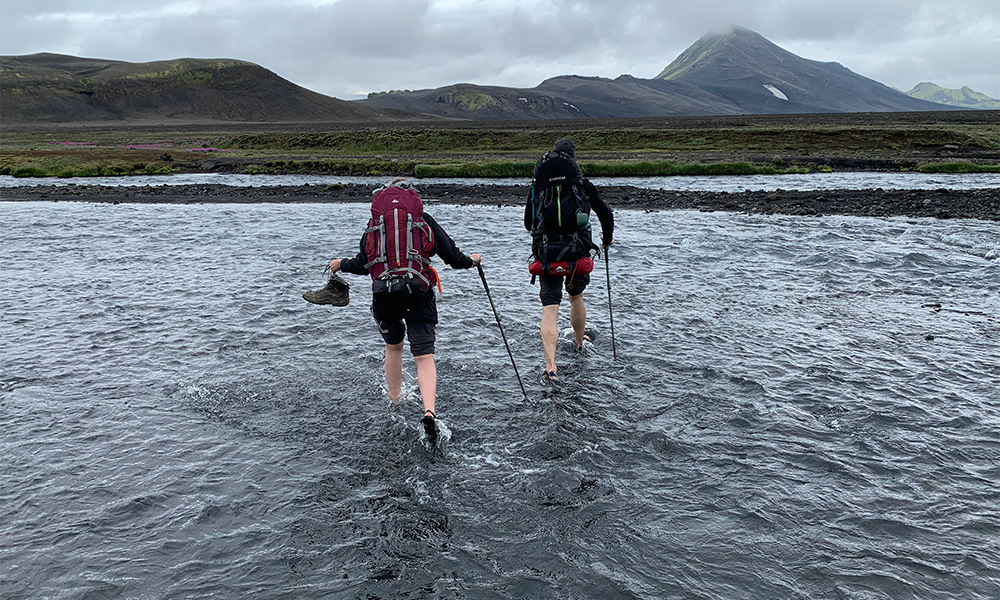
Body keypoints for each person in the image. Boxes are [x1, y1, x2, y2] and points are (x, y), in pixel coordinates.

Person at [308, 178, 482, 440]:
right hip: (418, 291)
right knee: (423, 356)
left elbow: (363, 263)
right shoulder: (423, 220)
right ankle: (429, 413)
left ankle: (394, 400)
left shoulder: (375, 225)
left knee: (394, 347)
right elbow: (453, 257)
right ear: (412, 197)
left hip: (383, 293)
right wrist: (472, 261)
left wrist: (340, 264)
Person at [525, 138, 613, 382]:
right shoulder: (581, 184)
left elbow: (527, 223)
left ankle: (551, 367)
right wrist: (607, 238)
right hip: (577, 251)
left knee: (549, 309)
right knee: (576, 297)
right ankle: (579, 344)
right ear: (573, 159)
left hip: (546, 253)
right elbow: (605, 213)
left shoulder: (538, 186)